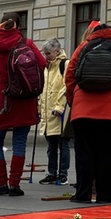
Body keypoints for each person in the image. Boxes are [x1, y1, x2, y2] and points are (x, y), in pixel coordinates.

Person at [65, 23, 111, 203]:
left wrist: (72, 100)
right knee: (107, 154)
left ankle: (82, 194)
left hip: (83, 110)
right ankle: (105, 195)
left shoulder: (83, 47)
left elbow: (69, 76)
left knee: (84, 154)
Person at [0, 12, 46, 196]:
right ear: (18, 25)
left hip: (1, 100)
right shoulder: (26, 43)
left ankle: (1, 183)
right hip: (24, 100)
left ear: (1, 24)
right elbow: (42, 64)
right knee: (19, 143)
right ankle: (15, 185)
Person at [38, 38, 71, 185]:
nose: (46, 56)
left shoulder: (65, 64)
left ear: (57, 51)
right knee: (51, 145)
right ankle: (52, 173)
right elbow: (44, 91)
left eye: (48, 53)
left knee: (63, 144)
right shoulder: (47, 67)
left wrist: (59, 107)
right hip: (48, 112)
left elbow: (66, 88)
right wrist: (39, 108)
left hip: (60, 112)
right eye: (44, 53)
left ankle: (62, 174)